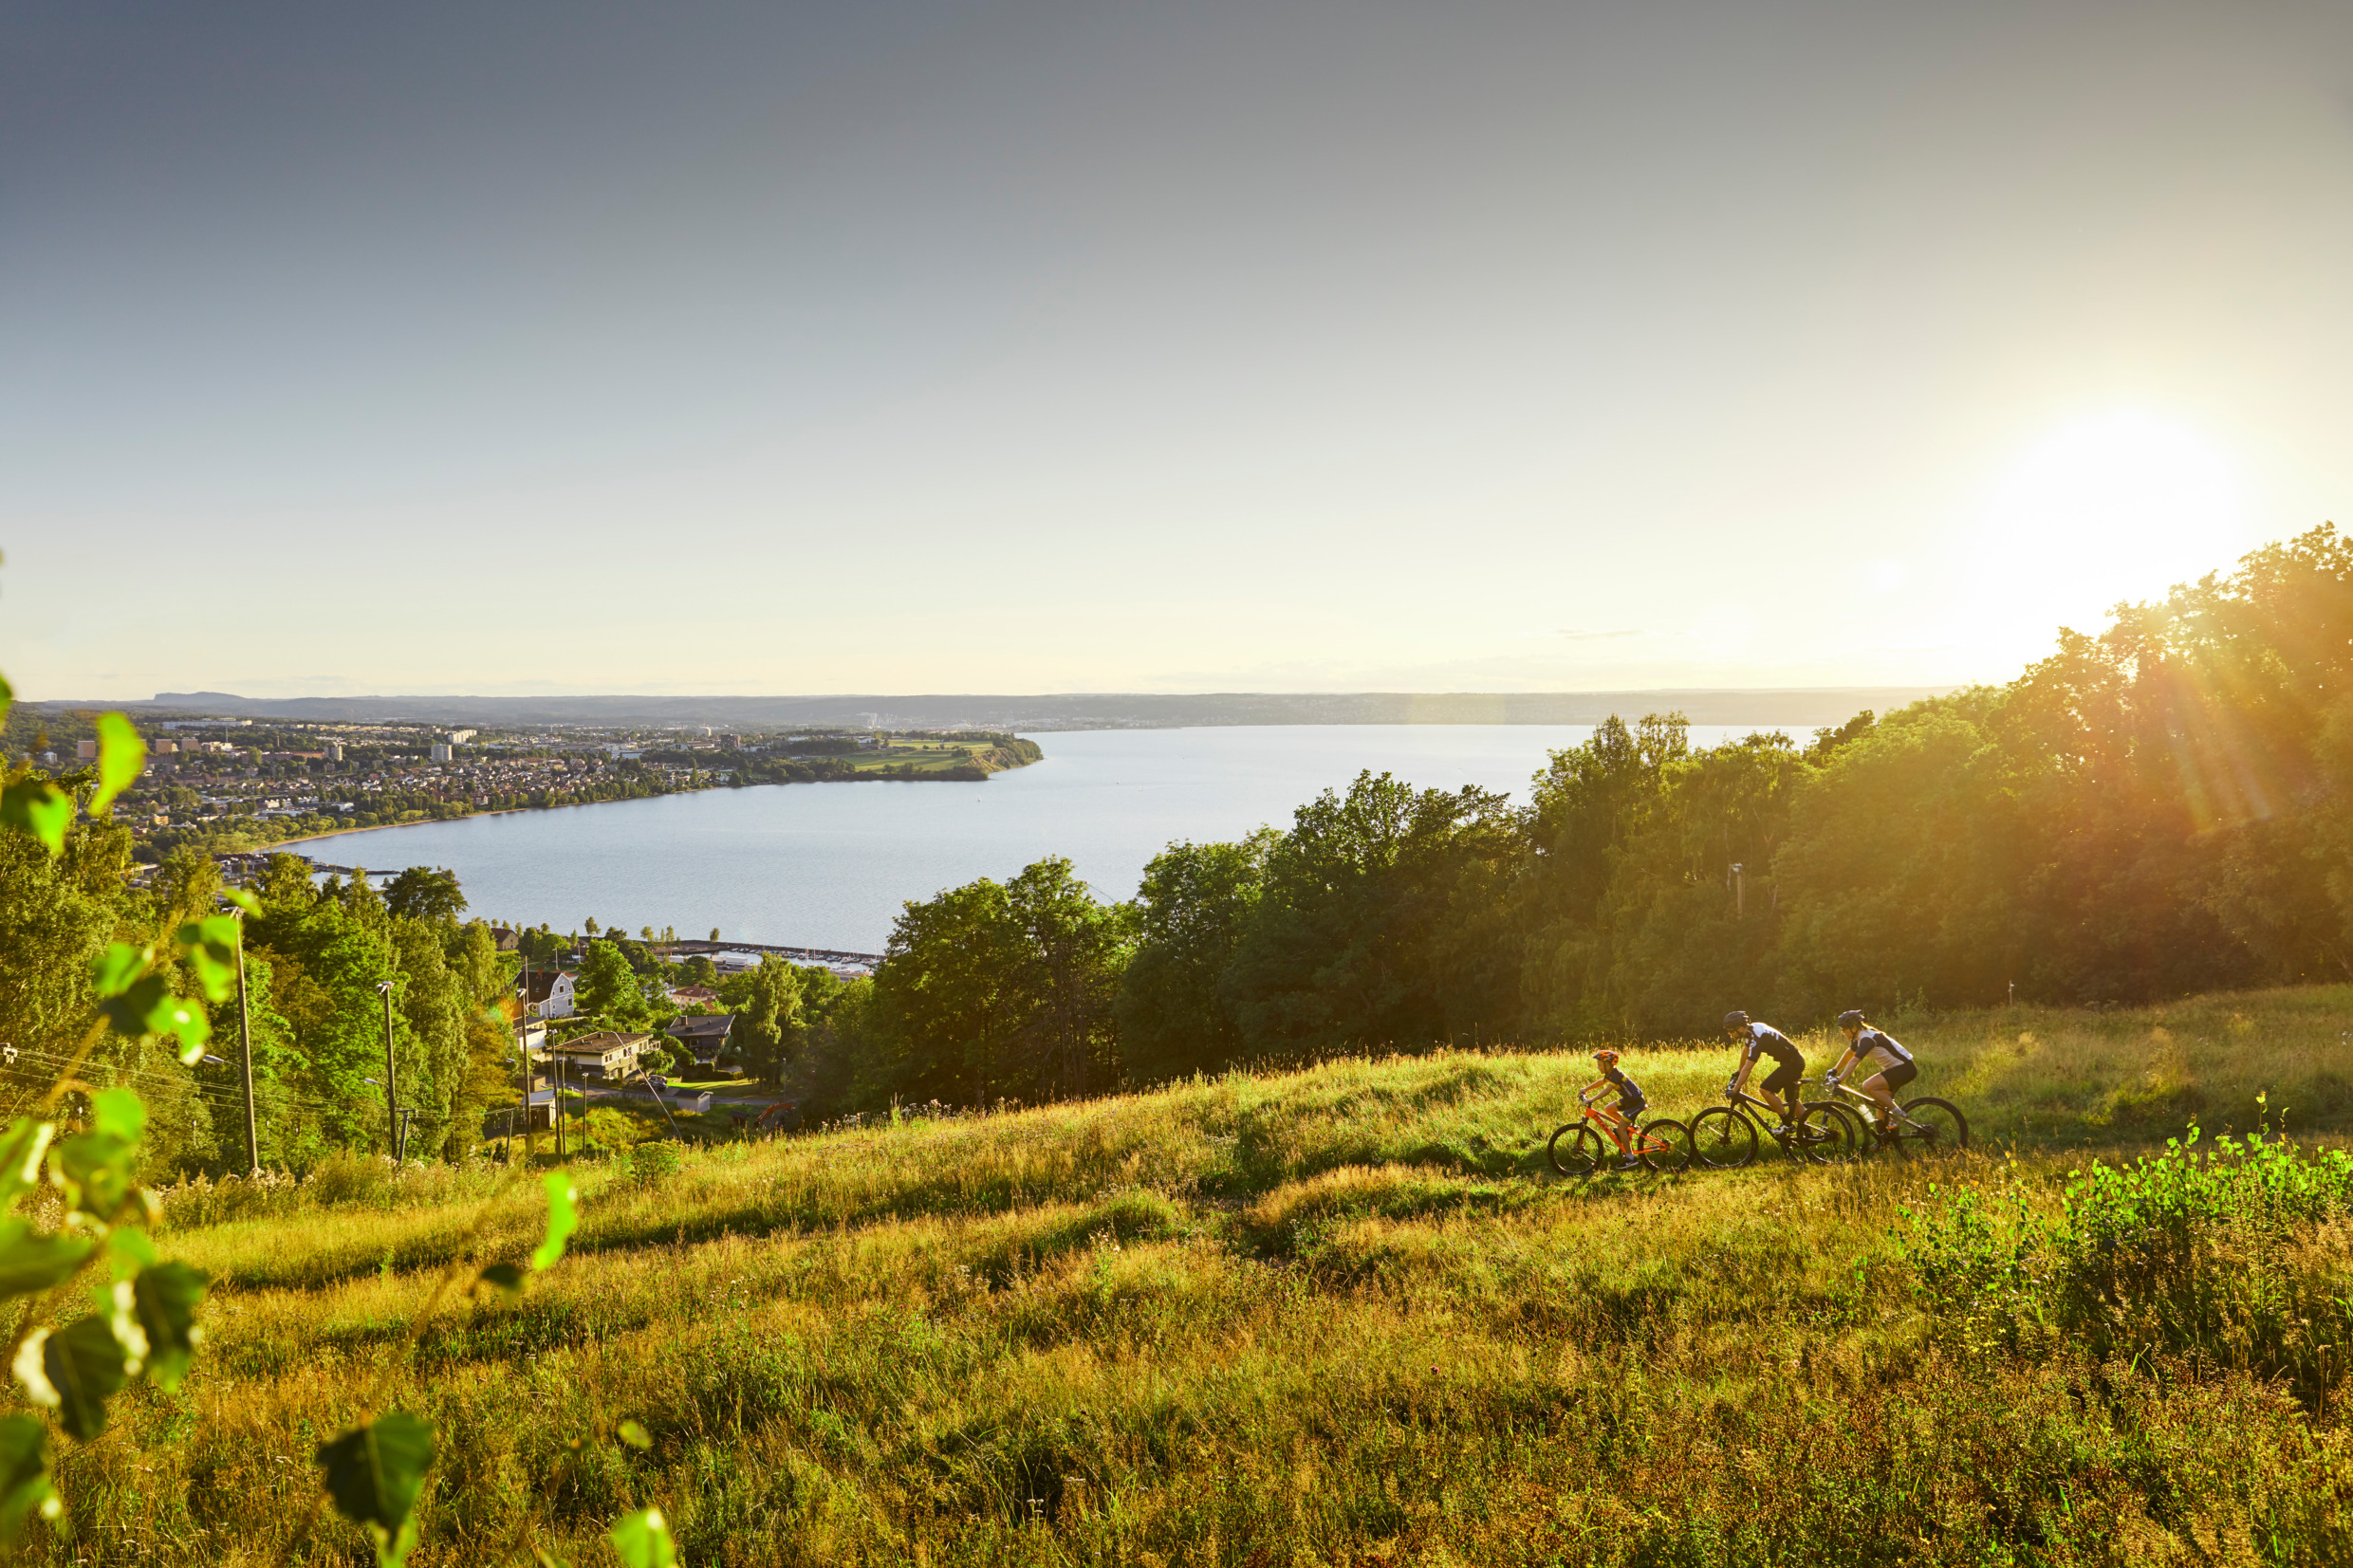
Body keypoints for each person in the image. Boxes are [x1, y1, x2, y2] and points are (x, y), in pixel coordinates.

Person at [1825, 1009, 1916, 1132]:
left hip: (1904, 1069)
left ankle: (1899, 1114)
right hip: (1899, 1069)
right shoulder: (1861, 1037)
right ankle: (1884, 1138)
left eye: (1844, 1029)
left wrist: (1840, 1079)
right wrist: (1835, 1070)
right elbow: (1850, 1053)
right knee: (1881, 1106)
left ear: (1853, 1027)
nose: (1842, 1032)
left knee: (1868, 1086)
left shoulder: (1867, 1039)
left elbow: (1855, 1061)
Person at [1721, 1009, 1807, 1131]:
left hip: (1792, 1064)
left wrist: (1735, 1090)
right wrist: (1738, 1072)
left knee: (1765, 1089)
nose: (1730, 1034)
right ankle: (1809, 1134)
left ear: (1740, 1028)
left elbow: (1748, 1068)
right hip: (1793, 1062)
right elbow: (1745, 1051)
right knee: (1792, 1101)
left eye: (1731, 1031)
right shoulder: (1752, 1030)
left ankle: (1787, 1124)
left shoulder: (1757, 1038)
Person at [1579, 1048, 1648, 1170]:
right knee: (1608, 1109)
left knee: (1620, 1128)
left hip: (1636, 1102)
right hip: (1629, 1100)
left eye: (1600, 1065)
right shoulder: (1611, 1073)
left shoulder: (1616, 1075)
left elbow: (1607, 1090)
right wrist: (1586, 1089)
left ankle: (1630, 1158)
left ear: (1608, 1065)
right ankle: (1627, 1130)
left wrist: (1591, 1100)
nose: (1598, 1067)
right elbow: (1602, 1082)